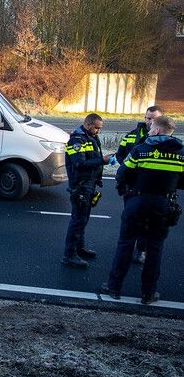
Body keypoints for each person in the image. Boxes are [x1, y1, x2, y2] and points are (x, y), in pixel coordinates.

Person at [102, 116, 184, 304]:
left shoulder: (141, 149)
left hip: (137, 201)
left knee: (125, 244)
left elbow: (122, 174)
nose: (148, 131)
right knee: (155, 248)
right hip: (164, 204)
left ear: (156, 131)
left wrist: (131, 188)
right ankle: (148, 294)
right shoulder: (181, 153)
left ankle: (114, 288)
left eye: (151, 128)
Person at [63, 113, 113, 268]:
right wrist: (102, 160)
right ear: (89, 124)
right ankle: (69, 255)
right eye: (97, 128)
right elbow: (79, 164)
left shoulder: (90, 137)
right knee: (78, 221)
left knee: (83, 219)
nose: (98, 131)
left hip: (88, 184)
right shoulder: (76, 141)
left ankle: (79, 248)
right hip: (80, 186)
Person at [115, 105, 164, 264]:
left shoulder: (165, 140)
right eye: (147, 118)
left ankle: (141, 250)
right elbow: (120, 154)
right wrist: (129, 169)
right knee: (129, 220)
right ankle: (125, 251)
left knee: (147, 222)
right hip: (132, 187)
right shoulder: (131, 136)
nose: (150, 121)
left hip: (151, 189)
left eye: (154, 118)